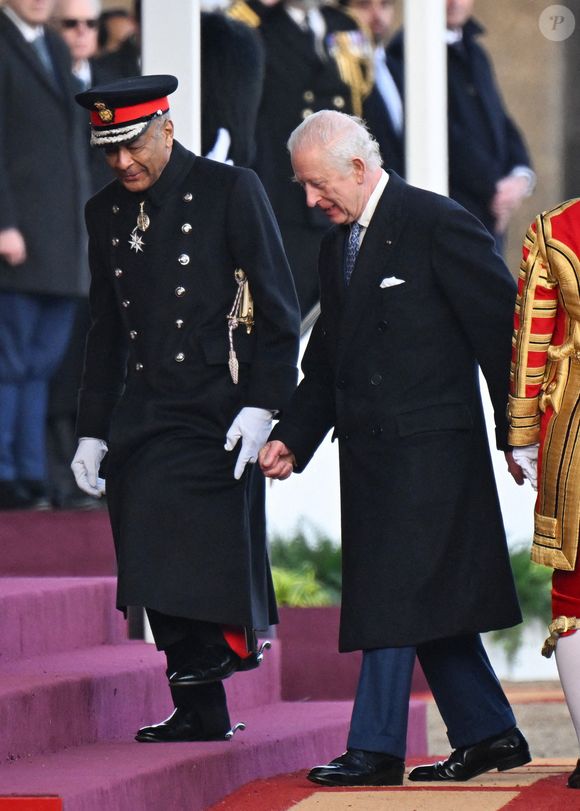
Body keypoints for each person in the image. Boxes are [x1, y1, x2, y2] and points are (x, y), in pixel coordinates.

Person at [259, 110, 531, 786]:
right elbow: (327, 361)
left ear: (358, 167)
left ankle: (375, 747)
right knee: (428, 599)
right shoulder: (334, 246)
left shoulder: (438, 222)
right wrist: (293, 434)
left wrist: (517, 431)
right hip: (373, 460)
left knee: (394, 595)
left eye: (318, 185)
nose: (311, 200)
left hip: (434, 454)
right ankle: (491, 732)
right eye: (303, 187)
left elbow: (502, 332)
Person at [71, 74, 300, 742]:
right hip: (144, 407)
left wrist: (265, 402)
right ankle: (200, 706)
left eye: (132, 144)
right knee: (144, 545)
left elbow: (278, 308)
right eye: (108, 150)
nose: (121, 163)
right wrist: (91, 429)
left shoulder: (232, 190)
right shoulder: (105, 211)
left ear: (167, 128)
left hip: (218, 407)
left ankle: (222, 657)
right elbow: (106, 329)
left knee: (202, 550)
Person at [0, 0, 91, 510]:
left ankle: (30, 472)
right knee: (9, 363)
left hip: (61, 242)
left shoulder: (55, 45)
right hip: (16, 241)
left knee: (41, 364)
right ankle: (6, 473)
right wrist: (3, 222)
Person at [229, 0, 374, 317]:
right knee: (286, 313)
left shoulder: (344, 26)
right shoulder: (254, 24)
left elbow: (363, 108)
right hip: (285, 200)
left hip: (343, 198)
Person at [508, 199, 580, 790]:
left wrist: (524, 434)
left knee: (576, 590)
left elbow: (534, 338)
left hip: (574, 425)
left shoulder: (558, 227)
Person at [388, 0, 534, 252]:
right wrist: (493, 188)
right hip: (453, 206)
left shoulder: (475, 52)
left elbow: (499, 118)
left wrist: (521, 174)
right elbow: (439, 131)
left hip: (490, 209)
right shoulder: (409, 52)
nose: (454, 2)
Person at [337, 0, 404, 176]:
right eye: (364, 5)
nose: (377, 15)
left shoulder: (399, 67)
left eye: (385, 4)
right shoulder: (337, 74)